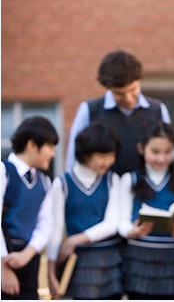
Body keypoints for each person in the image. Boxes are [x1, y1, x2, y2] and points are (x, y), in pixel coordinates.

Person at [46, 122, 122, 300]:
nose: (109, 161)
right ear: (86, 152)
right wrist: (50, 273)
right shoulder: (63, 183)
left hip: (109, 259)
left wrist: (75, 239)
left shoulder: (112, 180)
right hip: (77, 263)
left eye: (112, 155)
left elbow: (112, 224)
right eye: (103, 155)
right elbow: (55, 230)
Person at [65, 49, 172, 176]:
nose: (128, 98)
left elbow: (166, 153)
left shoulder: (157, 109)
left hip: (145, 190)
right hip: (104, 190)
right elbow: (73, 159)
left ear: (140, 80)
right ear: (108, 88)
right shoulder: (89, 110)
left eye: (133, 89)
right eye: (119, 93)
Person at [118, 121, 174, 299]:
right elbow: (121, 219)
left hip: (171, 257)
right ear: (141, 148)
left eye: (167, 152)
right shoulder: (130, 180)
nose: (161, 158)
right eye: (155, 151)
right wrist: (131, 230)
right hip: (139, 256)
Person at [1, 116, 59, 300]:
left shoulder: (44, 182)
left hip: (28, 262)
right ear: (32, 145)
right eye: (50, 147)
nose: (53, 154)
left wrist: (27, 254)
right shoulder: (3, 172)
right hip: (5, 258)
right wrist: (3, 266)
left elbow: (46, 223)